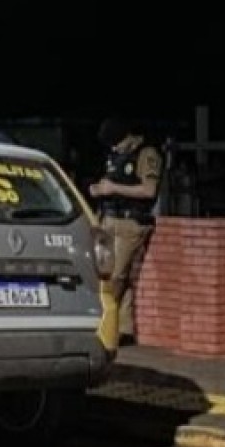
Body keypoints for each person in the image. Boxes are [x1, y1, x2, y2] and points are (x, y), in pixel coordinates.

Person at [89, 118, 162, 342]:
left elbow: (149, 191)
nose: (114, 149)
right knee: (115, 276)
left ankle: (104, 324)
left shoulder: (146, 154)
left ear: (127, 138)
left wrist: (113, 188)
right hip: (109, 219)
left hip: (130, 223)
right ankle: (124, 329)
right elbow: (112, 181)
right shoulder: (116, 155)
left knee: (116, 278)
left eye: (116, 144)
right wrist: (100, 189)